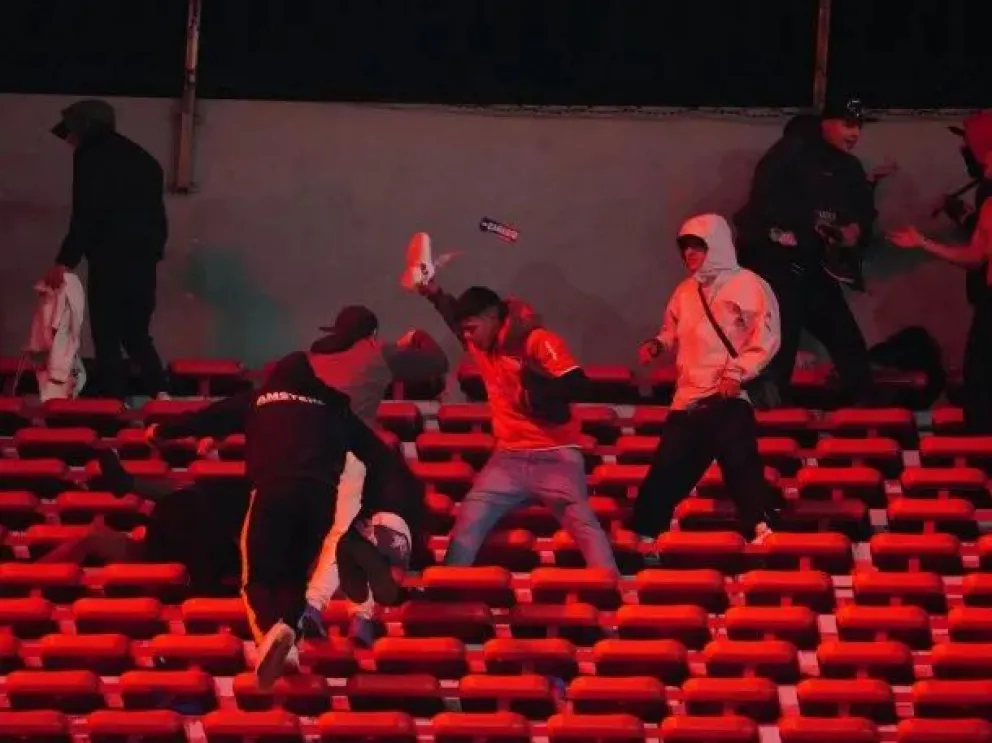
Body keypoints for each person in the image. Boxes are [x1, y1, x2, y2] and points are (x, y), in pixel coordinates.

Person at [145, 351, 404, 690]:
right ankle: (290, 644)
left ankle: (270, 636)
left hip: (273, 490)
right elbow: (378, 454)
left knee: (257, 577)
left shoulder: (259, 399)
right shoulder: (334, 406)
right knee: (293, 577)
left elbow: (207, 418)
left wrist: (161, 430)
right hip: (320, 500)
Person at [412, 276, 619, 577]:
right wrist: (434, 293)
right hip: (508, 457)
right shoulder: (480, 344)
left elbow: (579, 385)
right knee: (470, 516)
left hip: (556, 454)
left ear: (492, 318)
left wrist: (536, 395)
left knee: (584, 525)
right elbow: (452, 315)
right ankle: (449, 588)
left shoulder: (537, 341)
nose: (467, 337)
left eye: (472, 328)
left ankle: (611, 587)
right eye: (464, 330)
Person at [636, 213, 783, 544]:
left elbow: (766, 337)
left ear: (715, 245)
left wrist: (737, 371)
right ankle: (646, 534)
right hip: (688, 397)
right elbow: (672, 329)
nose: (689, 254)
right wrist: (658, 344)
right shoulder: (685, 291)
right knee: (667, 469)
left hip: (728, 394)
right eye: (685, 247)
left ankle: (761, 529)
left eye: (697, 246)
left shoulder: (748, 284)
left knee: (739, 463)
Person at [303, 304, 445, 646]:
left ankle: (353, 615)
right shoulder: (375, 351)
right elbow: (437, 363)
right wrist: (417, 338)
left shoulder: (310, 360)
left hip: (308, 458)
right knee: (352, 534)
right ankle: (342, 612)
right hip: (353, 457)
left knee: (348, 536)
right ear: (371, 334)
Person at [734, 95, 880, 406]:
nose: (855, 133)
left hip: (817, 270)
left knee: (849, 346)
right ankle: (766, 422)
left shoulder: (850, 167)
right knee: (779, 351)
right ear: (826, 122)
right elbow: (759, 214)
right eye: (848, 124)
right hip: (778, 269)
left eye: (859, 126)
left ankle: (863, 419)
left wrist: (853, 233)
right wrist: (792, 233)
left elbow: (863, 216)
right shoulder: (789, 154)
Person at [44, 99, 169, 401]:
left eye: (71, 131)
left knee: (107, 334)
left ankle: (114, 405)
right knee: (136, 332)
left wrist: (64, 261)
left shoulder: (91, 156)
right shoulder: (145, 160)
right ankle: (162, 393)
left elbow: (86, 212)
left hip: (109, 260)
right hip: (142, 261)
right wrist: (152, 254)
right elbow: (158, 218)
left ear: (84, 126)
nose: (70, 140)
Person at [889, 149, 992, 434]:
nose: (984, 165)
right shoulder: (988, 206)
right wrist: (924, 243)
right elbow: (975, 256)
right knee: (979, 382)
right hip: (989, 306)